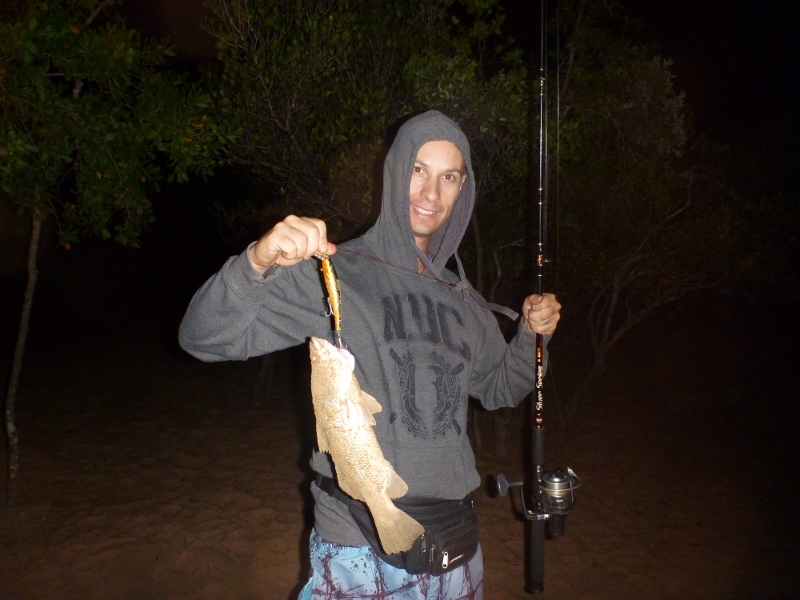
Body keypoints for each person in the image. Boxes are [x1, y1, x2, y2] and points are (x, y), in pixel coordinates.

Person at [179, 110, 561, 599]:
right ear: (394, 171)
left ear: (462, 190)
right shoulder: (334, 273)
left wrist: (532, 335)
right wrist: (257, 263)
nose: (430, 193)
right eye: (418, 170)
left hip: (453, 536)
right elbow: (203, 339)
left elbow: (501, 387)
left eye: (449, 177)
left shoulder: (463, 299)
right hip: (356, 539)